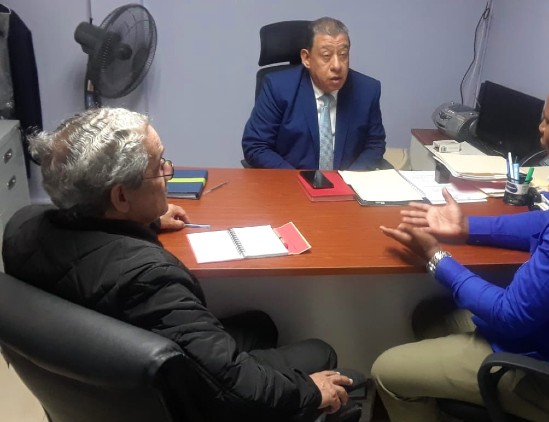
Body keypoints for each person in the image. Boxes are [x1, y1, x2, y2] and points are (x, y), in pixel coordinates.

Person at [1, 107, 355, 421]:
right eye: (159, 165)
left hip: (99, 383)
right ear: (121, 196)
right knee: (320, 352)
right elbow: (236, 386)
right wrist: (309, 392)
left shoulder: (21, 228)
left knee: (259, 325)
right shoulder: (150, 279)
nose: (168, 172)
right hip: (186, 401)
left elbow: (86, 240)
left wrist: (145, 219)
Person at [371, 67, 549, 422]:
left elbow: (511, 315)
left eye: (547, 121)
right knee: (429, 315)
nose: (540, 128)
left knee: (386, 371)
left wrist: (436, 257)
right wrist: (467, 227)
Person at [242, 17, 386, 170]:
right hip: (291, 179)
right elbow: (256, 145)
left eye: (343, 54)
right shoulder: (278, 88)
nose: (337, 66)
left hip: (346, 181)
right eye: (326, 56)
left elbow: (375, 144)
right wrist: (297, 179)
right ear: (307, 58)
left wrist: (351, 178)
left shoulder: (367, 90)